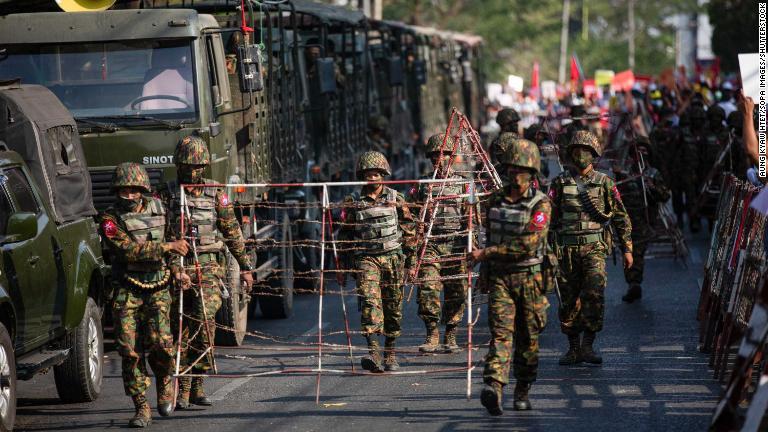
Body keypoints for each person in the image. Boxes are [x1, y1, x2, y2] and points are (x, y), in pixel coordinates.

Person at [163, 135, 254, 409]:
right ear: (179, 166)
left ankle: (195, 386)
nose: (193, 172)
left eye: (198, 166)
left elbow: (232, 231)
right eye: (187, 166)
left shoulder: (216, 193)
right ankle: (179, 388)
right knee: (178, 330)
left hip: (209, 268)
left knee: (204, 325)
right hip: (176, 270)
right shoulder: (167, 194)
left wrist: (246, 267)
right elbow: (157, 233)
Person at [98, 162, 189, 428]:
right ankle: (141, 406)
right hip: (126, 290)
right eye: (123, 191)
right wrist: (169, 246)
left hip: (159, 288)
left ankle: (164, 384)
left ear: (143, 190)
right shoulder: (109, 220)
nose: (128, 196)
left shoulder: (160, 209)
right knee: (129, 351)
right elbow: (128, 251)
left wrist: (177, 271)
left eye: (133, 191)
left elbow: (174, 247)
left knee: (162, 344)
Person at [472, 138, 551, 416]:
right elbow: (489, 236)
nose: (516, 175)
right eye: (512, 169)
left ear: (532, 173)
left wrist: (487, 253)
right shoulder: (495, 200)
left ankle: (523, 389)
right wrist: (485, 271)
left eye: (522, 170)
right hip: (501, 279)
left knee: (528, 337)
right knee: (501, 334)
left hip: (530, 278)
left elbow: (528, 244)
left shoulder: (540, 204)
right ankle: (494, 386)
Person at [549, 131, 633, 366]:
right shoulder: (559, 183)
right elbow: (548, 219)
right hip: (565, 251)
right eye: (576, 150)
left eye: (585, 151)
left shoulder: (605, 182)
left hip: (594, 248)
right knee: (568, 300)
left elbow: (620, 216)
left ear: (594, 155)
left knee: (594, 294)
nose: (580, 155)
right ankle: (573, 347)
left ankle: (588, 345)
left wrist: (627, 248)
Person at [339, 151, 416, 372]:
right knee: (370, 304)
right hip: (366, 259)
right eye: (368, 175)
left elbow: (409, 231)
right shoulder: (353, 201)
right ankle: (373, 352)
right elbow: (345, 235)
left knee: (393, 307)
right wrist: (342, 267)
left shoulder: (396, 198)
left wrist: (411, 264)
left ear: (383, 175)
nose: (372, 179)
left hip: (393, 259)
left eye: (376, 175)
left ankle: (390, 352)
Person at [409, 134, 470, 354]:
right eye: (435, 156)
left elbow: (473, 215)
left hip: (455, 244)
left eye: (443, 155)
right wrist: (413, 246)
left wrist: (472, 245)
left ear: (451, 157)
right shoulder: (423, 184)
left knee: (457, 292)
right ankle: (432, 333)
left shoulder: (464, 184)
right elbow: (413, 215)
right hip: (431, 245)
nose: (439, 159)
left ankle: (451, 334)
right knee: (428, 289)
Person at [614, 137, 670, 302]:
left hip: (644, 221)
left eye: (645, 150)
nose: (641, 153)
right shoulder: (625, 173)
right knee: (627, 251)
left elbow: (665, 195)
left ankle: (634, 283)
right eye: (638, 150)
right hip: (625, 220)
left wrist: (652, 187)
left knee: (636, 252)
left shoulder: (653, 173)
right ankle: (632, 282)